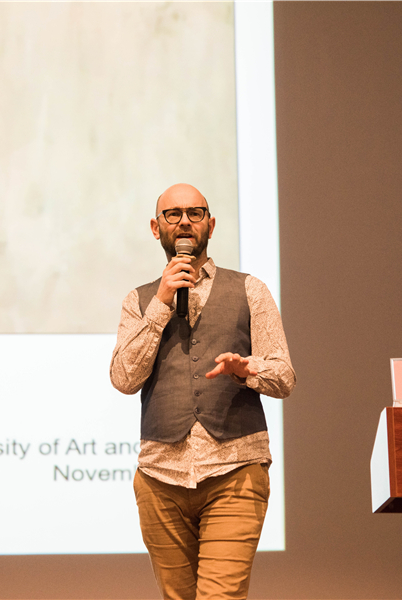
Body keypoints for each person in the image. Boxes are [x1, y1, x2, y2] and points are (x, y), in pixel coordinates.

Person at [110, 183, 296, 600]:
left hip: (235, 471)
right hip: (159, 478)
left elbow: (284, 376)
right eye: (173, 214)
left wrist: (248, 370)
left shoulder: (250, 289)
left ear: (210, 225)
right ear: (156, 227)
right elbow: (124, 378)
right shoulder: (139, 300)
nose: (184, 222)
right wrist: (161, 303)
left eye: (195, 213)